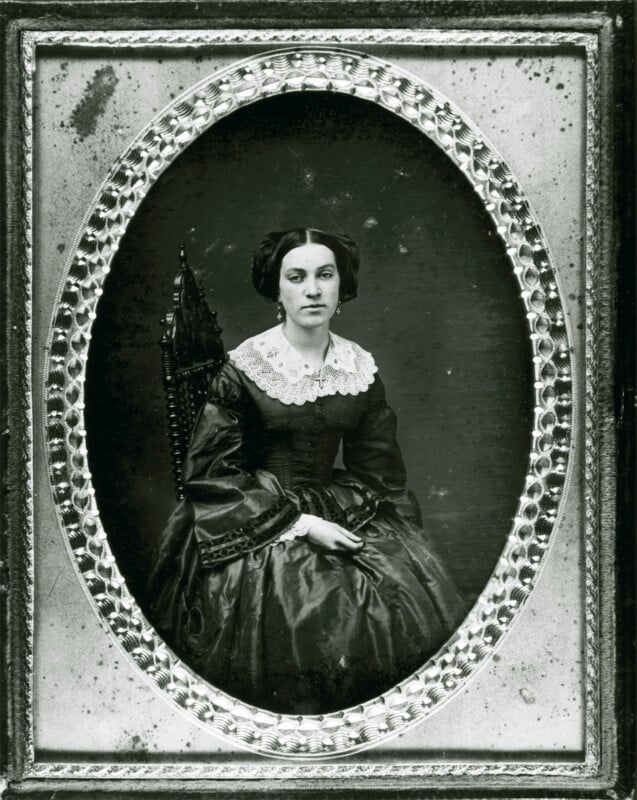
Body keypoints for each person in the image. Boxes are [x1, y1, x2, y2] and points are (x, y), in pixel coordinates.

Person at [147, 227, 467, 714]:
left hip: (342, 506)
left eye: (325, 275)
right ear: (277, 290)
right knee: (312, 616)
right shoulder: (245, 368)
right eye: (296, 277)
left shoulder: (359, 368)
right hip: (254, 517)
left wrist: (408, 547)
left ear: (341, 286)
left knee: (396, 603)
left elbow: (381, 472)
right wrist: (303, 525)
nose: (313, 290)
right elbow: (212, 472)